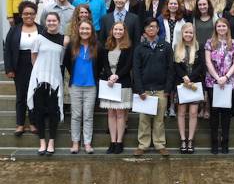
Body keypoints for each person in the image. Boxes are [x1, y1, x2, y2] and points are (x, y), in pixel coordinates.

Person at [27, 12, 68, 155]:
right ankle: (42, 142)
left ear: (58, 22)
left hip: (54, 79)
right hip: (39, 79)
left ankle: (51, 141)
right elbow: (34, 58)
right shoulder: (38, 38)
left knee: (53, 111)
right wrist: (39, 74)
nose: (51, 23)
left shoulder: (64, 40)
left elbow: (61, 61)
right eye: (49, 21)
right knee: (38, 112)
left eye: (54, 20)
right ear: (46, 22)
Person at [133, 17, 174, 157]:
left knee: (159, 120)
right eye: (149, 27)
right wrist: (140, 90)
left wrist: (168, 89)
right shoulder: (139, 48)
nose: (152, 29)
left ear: (158, 29)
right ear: (145, 30)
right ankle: (143, 145)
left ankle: (159, 144)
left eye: (154, 27)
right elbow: (136, 70)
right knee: (143, 119)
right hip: (144, 91)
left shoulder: (166, 46)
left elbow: (170, 69)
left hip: (161, 90)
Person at [64, 20, 103, 154]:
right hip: (75, 85)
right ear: (78, 30)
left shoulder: (97, 46)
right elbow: (67, 64)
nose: (85, 31)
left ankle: (87, 143)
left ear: (91, 31)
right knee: (75, 115)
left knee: (88, 116)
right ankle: (75, 143)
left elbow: (101, 65)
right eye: (82, 29)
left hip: (91, 86)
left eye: (87, 29)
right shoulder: (71, 46)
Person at [5, 1, 42, 136]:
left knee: (35, 94)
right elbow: (7, 49)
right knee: (21, 95)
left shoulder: (41, 29)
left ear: (35, 14)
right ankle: (20, 124)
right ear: (21, 15)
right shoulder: (14, 29)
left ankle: (33, 123)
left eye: (31, 13)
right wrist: (9, 68)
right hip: (19, 64)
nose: (29, 16)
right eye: (26, 13)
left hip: (37, 64)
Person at [205, 18, 234, 154]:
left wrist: (225, 77)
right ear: (215, 28)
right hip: (213, 82)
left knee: (226, 114)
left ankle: (225, 142)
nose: (221, 28)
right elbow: (208, 62)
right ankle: (214, 143)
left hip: (229, 82)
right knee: (214, 113)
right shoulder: (210, 43)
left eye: (224, 26)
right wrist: (217, 78)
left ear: (228, 27)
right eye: (219, 26)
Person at [100, 22, 133, 154]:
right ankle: (112, 141)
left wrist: (117, 76)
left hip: (122, 83)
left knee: (120, 114)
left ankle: (119, 142)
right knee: (111, 113)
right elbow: (105, 64)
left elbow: (128, 65)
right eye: (115, 29)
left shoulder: (129, 47)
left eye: (120, 29)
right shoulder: (107, 46)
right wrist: (110, 76)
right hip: (109, 83)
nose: (118, 31)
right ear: (112, 30)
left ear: (124, 31)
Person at [174, 23, 204, 154]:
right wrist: (184, 76)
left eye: (191, 32)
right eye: (186, 32)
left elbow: (201, 65)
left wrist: (190, 77)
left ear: (194, 34)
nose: (188, 35)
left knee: (193, 113)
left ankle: (190, 140)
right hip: (181, 84)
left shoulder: (198, 46)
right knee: (181, 112)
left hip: (194, 84)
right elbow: (175, 65)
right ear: (182, 33)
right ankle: (182, 139)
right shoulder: (176, 47)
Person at [157, 0, 186, 117]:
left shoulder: (182, 20)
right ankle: (164, 107)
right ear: (167, 5)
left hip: (178, 52)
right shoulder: (160, 18)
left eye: (175, 4)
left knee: (174, 80)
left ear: (178, 5)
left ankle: (173, 107)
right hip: (164, 52)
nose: (173, 6)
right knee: (164, 79)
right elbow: (157, 34)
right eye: (171, 3)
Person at [193, 0, 216, 118]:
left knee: (209, 80)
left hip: (211, 52)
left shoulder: (214, 18)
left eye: (204, 4)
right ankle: (200, 107)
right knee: (200, 80)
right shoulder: (194, 19)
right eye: (200, 5)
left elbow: (217, 34)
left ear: (208, 5)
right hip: (198, 52)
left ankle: (207, 108)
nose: (202, 7)